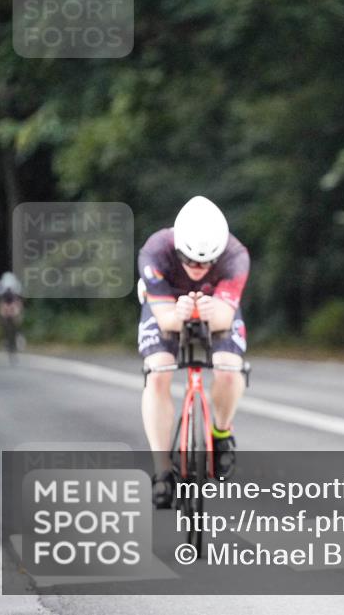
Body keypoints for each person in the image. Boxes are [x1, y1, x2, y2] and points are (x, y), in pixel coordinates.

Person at [137, 196, 250, 508]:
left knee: (229, 368)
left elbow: (225, 319)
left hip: (217, 306)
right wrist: (179, 313)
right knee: (157, 372)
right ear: (177, 249)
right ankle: (162, 471)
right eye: (189, 261)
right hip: (168, 305)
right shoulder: (155, 251)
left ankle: (221, 432)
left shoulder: (235, 254)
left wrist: (207, 311)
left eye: (206, 263)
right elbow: (165, 320)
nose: (198, 269)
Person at [0, 271, 24, 355]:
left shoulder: (17, 286)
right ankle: (5, 337)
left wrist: (17, 311)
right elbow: (1, 301)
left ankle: (19, 334)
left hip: (14, 301)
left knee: (17, 316)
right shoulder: (0, 286)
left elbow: (18, 300)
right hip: (5, 301)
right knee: (2, 316)